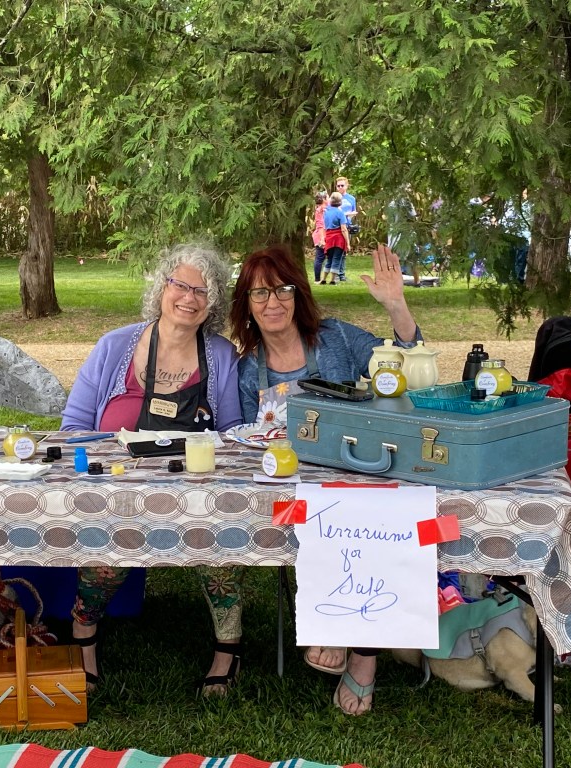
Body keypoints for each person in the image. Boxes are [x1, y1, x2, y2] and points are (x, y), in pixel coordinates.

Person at [230, 243, 422, 715]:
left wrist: (397, 305)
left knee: (371, 513)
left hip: (353, 471)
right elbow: (238, 438)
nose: (273, 302)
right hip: (290, 486)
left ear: (299, 295)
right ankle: (335, 621)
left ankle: (363, 651)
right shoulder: (245, 369)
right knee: (318, 516)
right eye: (260, 293)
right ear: (246, 306)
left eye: (283, 289)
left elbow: (404, 368)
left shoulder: (335, 339)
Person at [60, 243, 243, 695]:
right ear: (162, 288)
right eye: (180, 284)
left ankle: (228, 649)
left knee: (218, 544)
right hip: (115, 488)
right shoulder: (115, 346)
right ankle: (84, 638)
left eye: (203, 290)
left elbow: (236, 431)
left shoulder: (220, 355)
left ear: (213, 302)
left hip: (195, 492)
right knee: (104, 556)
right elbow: (72, 427)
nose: (190, 297)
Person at [319, 192, 349, 285]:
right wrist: (348, 243)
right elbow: (343, 229)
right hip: (338, 239)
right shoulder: (340, 213)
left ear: (331, 201)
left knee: (329, 259)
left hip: (329, 238)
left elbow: (324, 227)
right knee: (336, 259)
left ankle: (323, 279)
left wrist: (323, 239)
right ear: (340, 202)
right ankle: (332, 280)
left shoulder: (326, 212)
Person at [335, 176, 359, 281]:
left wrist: (351, 214)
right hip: (336, 226)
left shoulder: (351, 199)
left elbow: (354, 211)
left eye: (342, 185)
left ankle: (342, 274)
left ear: (347, 186)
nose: (340, 187)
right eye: (338, 185)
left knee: (344, 250)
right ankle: (335, 274)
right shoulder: (334, 198)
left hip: (347, 225)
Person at [311, 190, 328, 283]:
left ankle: (320, 278)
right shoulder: (321, 211)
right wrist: (322, 239)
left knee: (320, 257)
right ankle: (318, 279)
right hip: (322, 236)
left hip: (322, 235)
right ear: (324, 199)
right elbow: (321, 226)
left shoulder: (323, 209)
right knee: (320, 257)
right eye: (327, 197)